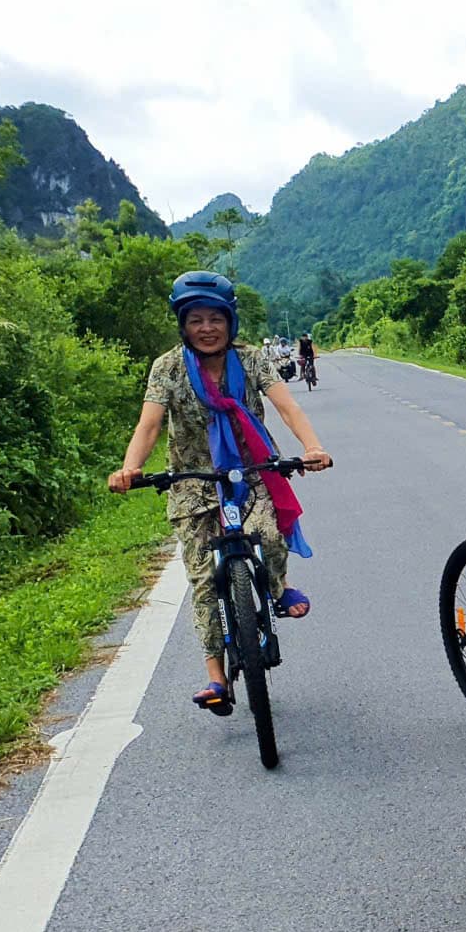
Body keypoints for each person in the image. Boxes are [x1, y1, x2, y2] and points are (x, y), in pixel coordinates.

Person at [109, 270, 334, 714]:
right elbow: (150, 424)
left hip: (250, 472)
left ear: (230, 321)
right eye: (196, 320)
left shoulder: (251, 360)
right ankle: (216, 677)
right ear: (183, 324)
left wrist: (313, 447)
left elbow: (287, 406)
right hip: (191, 482)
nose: (207, 328)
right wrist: (130, 468)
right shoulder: (167, 368)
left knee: (269, 536)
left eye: (215, 318)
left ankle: (277, 587)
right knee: (203, 583)